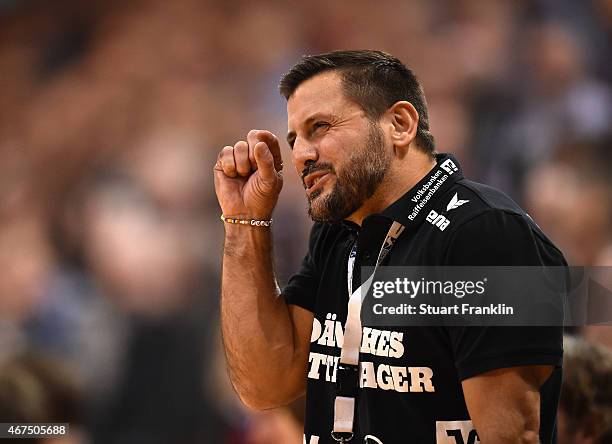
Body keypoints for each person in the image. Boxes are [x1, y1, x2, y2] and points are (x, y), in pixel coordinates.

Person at [214, 50, 566, 444]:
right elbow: (265, 387)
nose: (300, 155)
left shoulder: (488, 234)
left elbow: (513, 436)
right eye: (294, 139)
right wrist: (244, 222)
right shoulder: (337, 234)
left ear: (400, 124)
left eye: (320, 127)